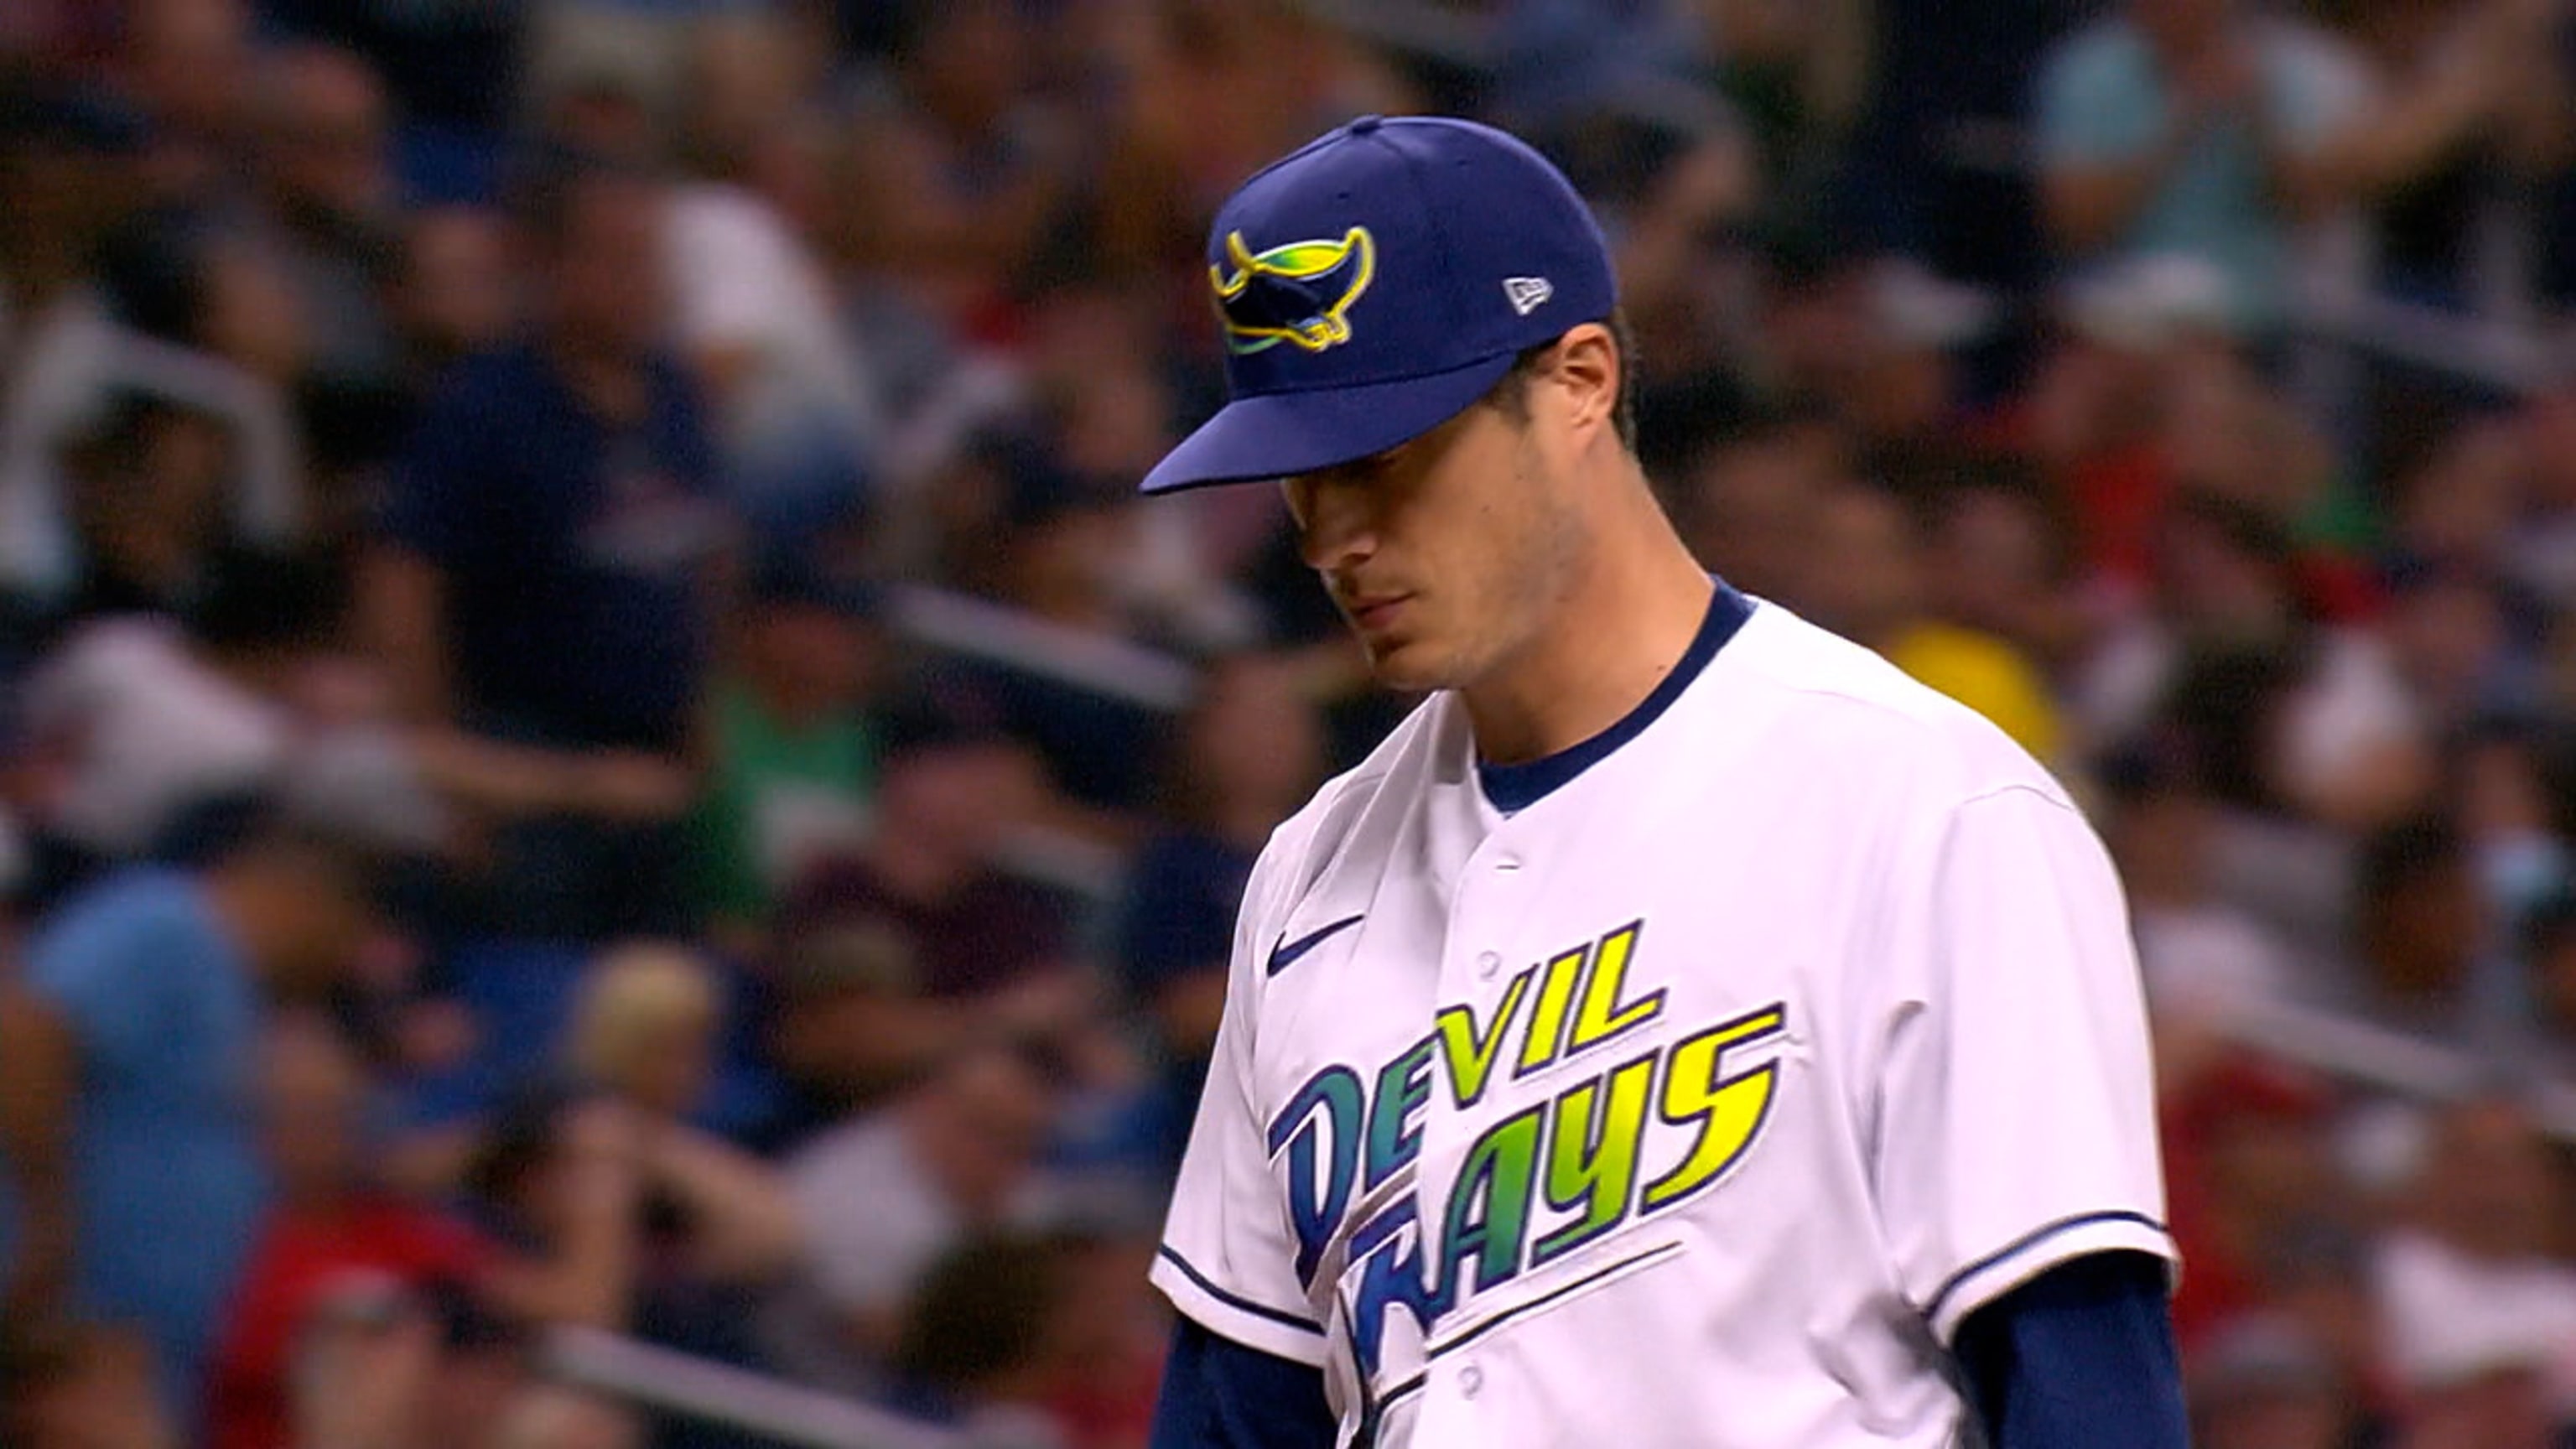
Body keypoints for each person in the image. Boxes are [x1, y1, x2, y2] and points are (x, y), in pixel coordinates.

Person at [1133, 115, 2184, 1448]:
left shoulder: (1920, 807)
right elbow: (1233, 1412)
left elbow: (2086, 1386)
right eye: (1302, 478)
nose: (1335, 536)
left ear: (1580, 379)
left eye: (1384, 457)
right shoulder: (1309, 875)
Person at [0, 810, 384, 1425]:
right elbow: (28, 1037)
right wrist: (47, 1219)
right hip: (72, 1328)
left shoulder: (230, 982)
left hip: (146, 1347)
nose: (340, 961)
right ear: (309, 902)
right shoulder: (163, 925)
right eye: (348, 934)